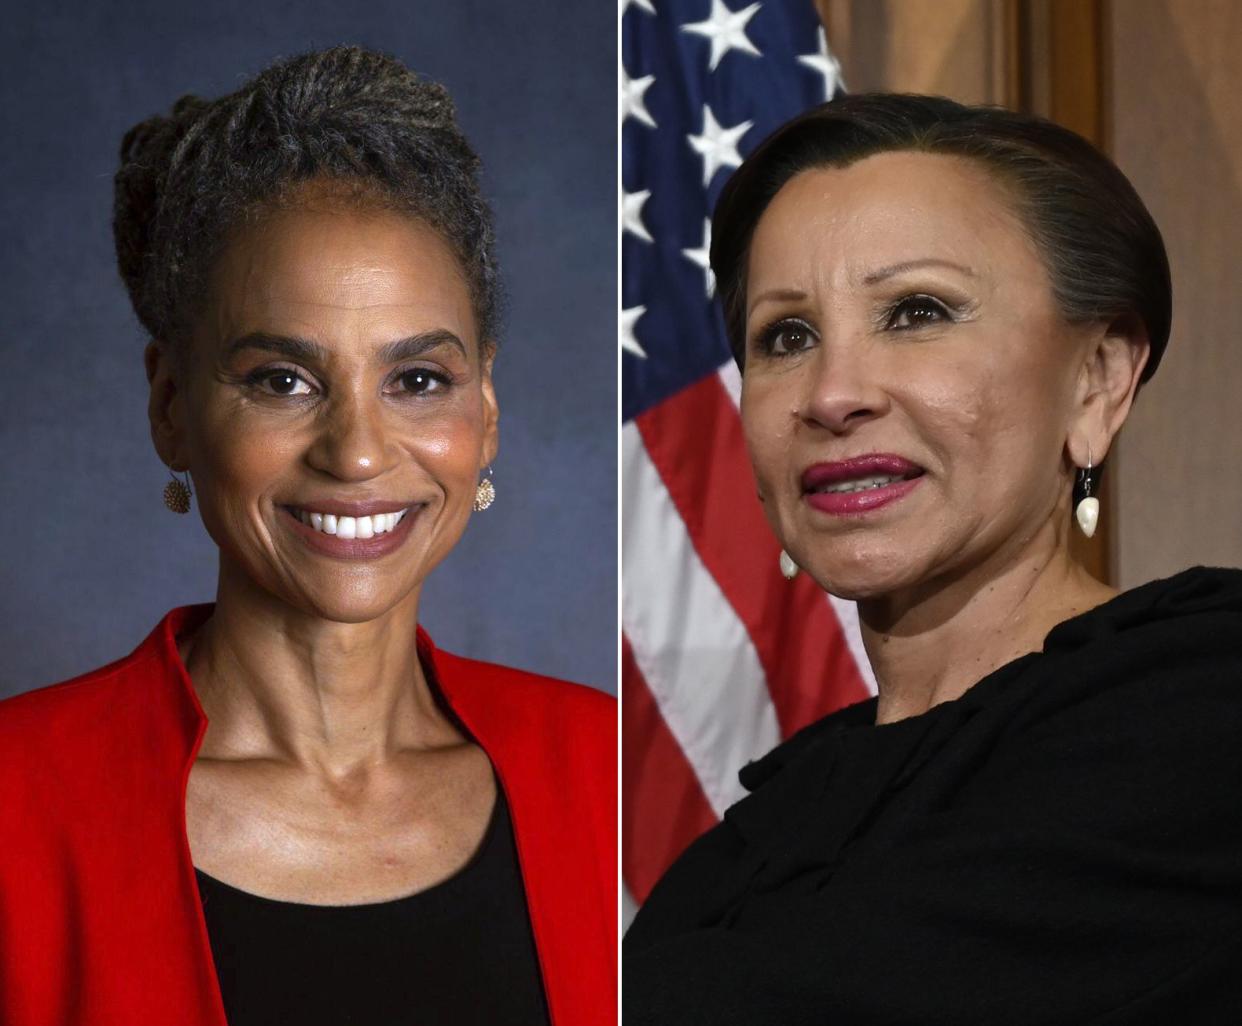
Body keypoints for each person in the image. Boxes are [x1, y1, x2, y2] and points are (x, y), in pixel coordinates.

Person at [0, 46, 614, 1026]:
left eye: (417, 379)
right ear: (170, 407)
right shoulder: (14, 806)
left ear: (486, 409)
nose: (359, 452)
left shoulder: (611, 772)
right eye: (283, 379)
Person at [624, 93, 1242, 1023]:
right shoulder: (742, 851)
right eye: (786, 337)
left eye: (917, 311)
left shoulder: (1204, 702)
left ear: (1098, 380)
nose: (832, 394)